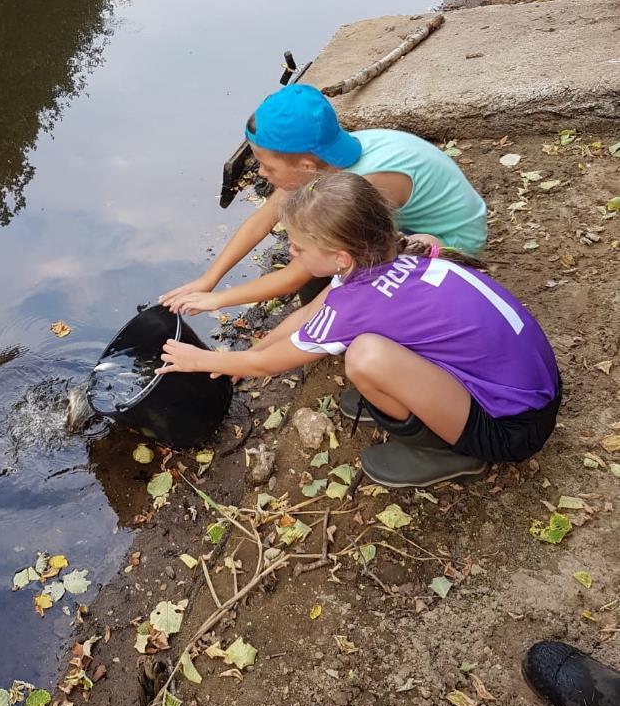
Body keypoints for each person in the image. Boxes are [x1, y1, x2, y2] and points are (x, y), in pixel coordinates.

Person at [156, 171, 560, 488]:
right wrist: (249, 350)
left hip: (512, 428)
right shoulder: (395, 253)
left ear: (340, 257)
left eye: (298, 247)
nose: (291, 254)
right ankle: (418, 408)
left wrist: (201, 359)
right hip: (530, 388)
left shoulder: (356, 304)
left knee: (366, 357)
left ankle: (448, 453)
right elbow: (308, 316)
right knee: (371, 350)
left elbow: (264, 366)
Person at [159, 81, 489, 423]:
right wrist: (209, 279)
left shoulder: (363, 186)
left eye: (267, 167)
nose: (260, 173)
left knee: (328, 270)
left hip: (451, 244)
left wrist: (218, 303)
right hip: (404, 230)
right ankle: (335, 321)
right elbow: (261, 220)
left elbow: (293, 277)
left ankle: (394, 354)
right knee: (317, 261)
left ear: (305, 167)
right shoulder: (324, 161)